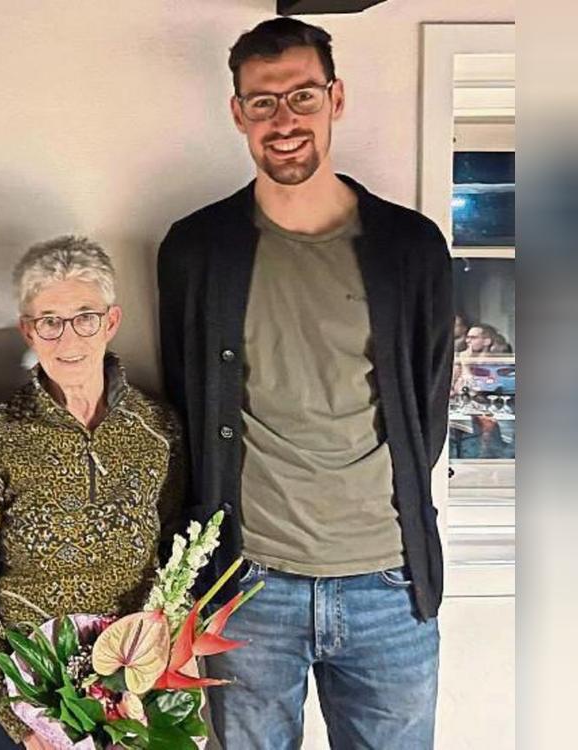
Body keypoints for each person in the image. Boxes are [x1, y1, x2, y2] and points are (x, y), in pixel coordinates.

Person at [156, 18, 452, 750]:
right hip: (249, 585)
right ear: (237, 113)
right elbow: (188, 402)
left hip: (389, 580)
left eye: (301, 96)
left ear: (336, 98)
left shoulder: (410, 247)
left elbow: (429, 404)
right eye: (262, 102)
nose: (282, 119)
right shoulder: (196, 249)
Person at [0, 236, 183, 750]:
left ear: (111, 322)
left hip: (133, 690)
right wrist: (19, 715)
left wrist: (144, 679)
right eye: (49, 320)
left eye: (85, 317)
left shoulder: (157, 427)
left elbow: (172, 554)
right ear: (29, 328)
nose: (68, 338)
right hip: (24, 687)